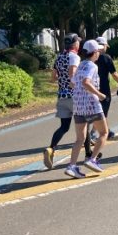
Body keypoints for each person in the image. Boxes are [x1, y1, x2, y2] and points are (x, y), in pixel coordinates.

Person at [64, 39, 108, 179]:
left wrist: (80, 92)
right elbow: (86, 82)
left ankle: (71, 166)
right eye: (98, 51)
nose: (99, 53)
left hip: (78, 106)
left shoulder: (81, 64)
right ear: (94, 53)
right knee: (104, 132)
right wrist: (99, 94)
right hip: (91, 105)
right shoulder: (92, 66)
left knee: (80, 138)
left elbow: (72, 83)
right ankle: (92, 159)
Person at [43, 33, 82, 170]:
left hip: (61, 96)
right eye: (78, 42)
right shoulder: (74, 57)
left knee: (64, 127)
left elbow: (53, 78)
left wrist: (62, 80)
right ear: (75, 44)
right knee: (84, 127)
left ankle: (51, 149)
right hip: (74, 97)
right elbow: (73, 76)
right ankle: (89, 156)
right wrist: (80, 87)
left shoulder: (59, 57)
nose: (79, 44)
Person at [93, 35, 118, 139]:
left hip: (91, 88)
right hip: (103, 89)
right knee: (102, 111)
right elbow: (114, 74)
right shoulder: (106, 57)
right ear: (103, 46)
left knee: (98, 110)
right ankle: (93, 134)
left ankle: (107, 131)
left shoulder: (90, 57)